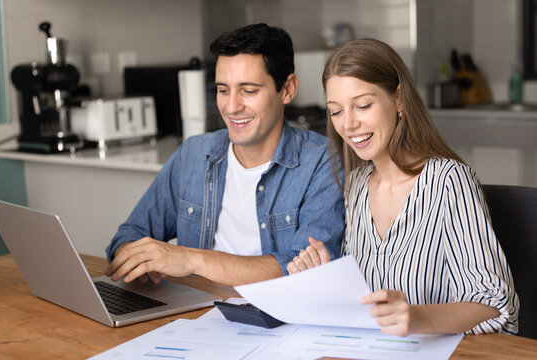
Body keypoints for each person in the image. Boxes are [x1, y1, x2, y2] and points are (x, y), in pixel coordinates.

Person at [287, 38, 519, 336]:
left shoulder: (449, 182)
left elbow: (496, 308)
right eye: (336, 111)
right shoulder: (356, 186)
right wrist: (323, 280)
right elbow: (366, 306)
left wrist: (416, 317)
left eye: (363, 105)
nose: (348, 124)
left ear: (398, 100)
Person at [104, 23, 344, 287]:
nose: (231, 107)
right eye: (222, 90)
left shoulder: (324, 161)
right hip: (195, 314)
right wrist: (139, 260)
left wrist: (192, 260)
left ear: (287, 89)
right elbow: (130, 234)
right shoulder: (193, 154)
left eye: (249, 91)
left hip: (276, 320)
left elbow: (305, 269)